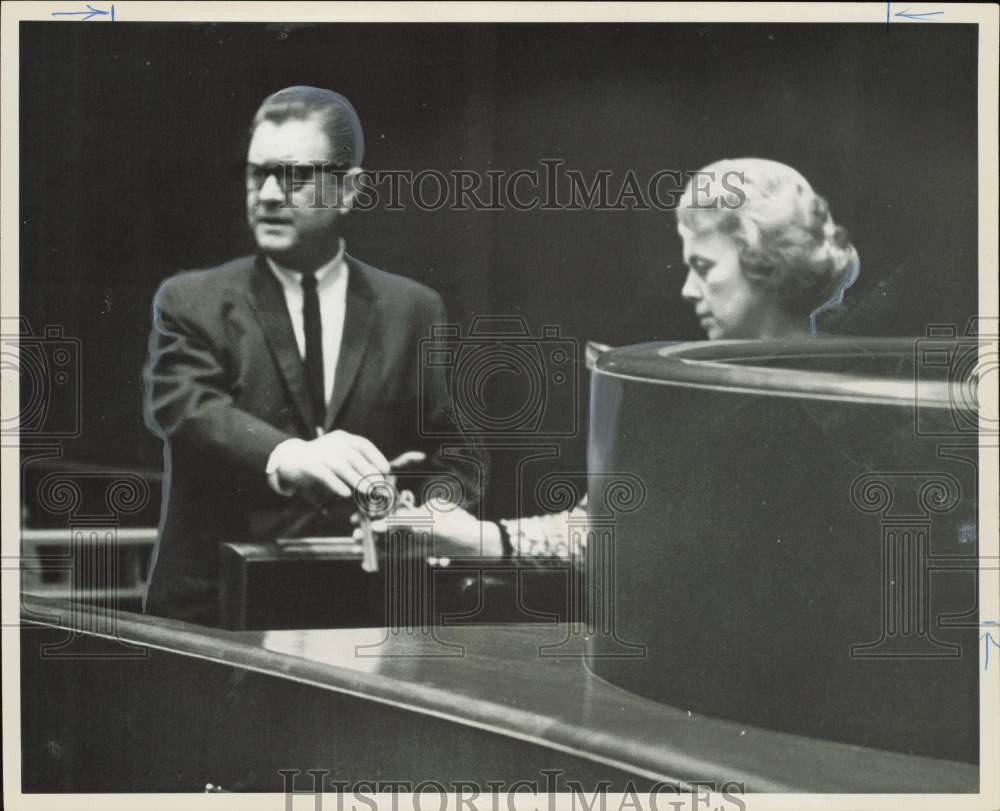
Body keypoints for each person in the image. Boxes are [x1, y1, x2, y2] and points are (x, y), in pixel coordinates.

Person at [369, 157, 859, 557]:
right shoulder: (692, 387)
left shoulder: (844, 400)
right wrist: (483, 538)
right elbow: (603, 529)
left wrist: (485, 540)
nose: (688, 289)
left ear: (763, 263)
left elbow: (635, 543)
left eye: (703, 267)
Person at [142, 86, 483, 625]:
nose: (270, 195)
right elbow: (187, 409)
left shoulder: (413, 308)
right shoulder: (191, 300)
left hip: (365, 616)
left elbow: (458, 456)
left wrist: (423, 508)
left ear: (348, 191)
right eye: (258, 174)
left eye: (295, 176)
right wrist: (290, 456)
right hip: (219, 612)